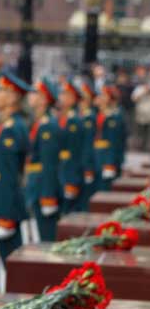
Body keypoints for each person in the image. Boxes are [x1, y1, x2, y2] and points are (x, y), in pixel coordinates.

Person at [0, 71, 31, 271]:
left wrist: (6, 216)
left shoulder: (12, 128)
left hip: (5, 207)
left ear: (11, 97)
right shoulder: (6, 126)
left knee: (12, 269)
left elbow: (9, 175)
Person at [25, 78, 61, 242]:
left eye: (35, 93)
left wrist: (48, 196)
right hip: (36, 185)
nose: (30, 96)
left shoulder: (48, 125)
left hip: (43, 188)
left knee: (47, 238)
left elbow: (49, 163)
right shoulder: (40, 123)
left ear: (44, 99)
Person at [57, 79, 85, 215]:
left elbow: (76, 152)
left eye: (66, 94)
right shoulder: (62, 117)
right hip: (59, 170)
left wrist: (72, 180)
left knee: (67, 211)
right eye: (61, 94)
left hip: (69, 172)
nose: (61, 97)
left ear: (73, 99)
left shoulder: (74, 120)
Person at [94, 84, 128, 192]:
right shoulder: (96, 114)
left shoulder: (114, 116)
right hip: (96, 155)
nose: (100, 98)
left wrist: (110, 161)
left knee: (106, 188)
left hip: (108, 156)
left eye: (104, 96)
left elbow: (115, 141)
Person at [77, 78, 98, 207]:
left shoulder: (89, 117)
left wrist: (89, 166)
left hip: (85, 161)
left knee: (84, 198)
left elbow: (88, 144)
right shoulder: (81, 116)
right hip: (77, 162)